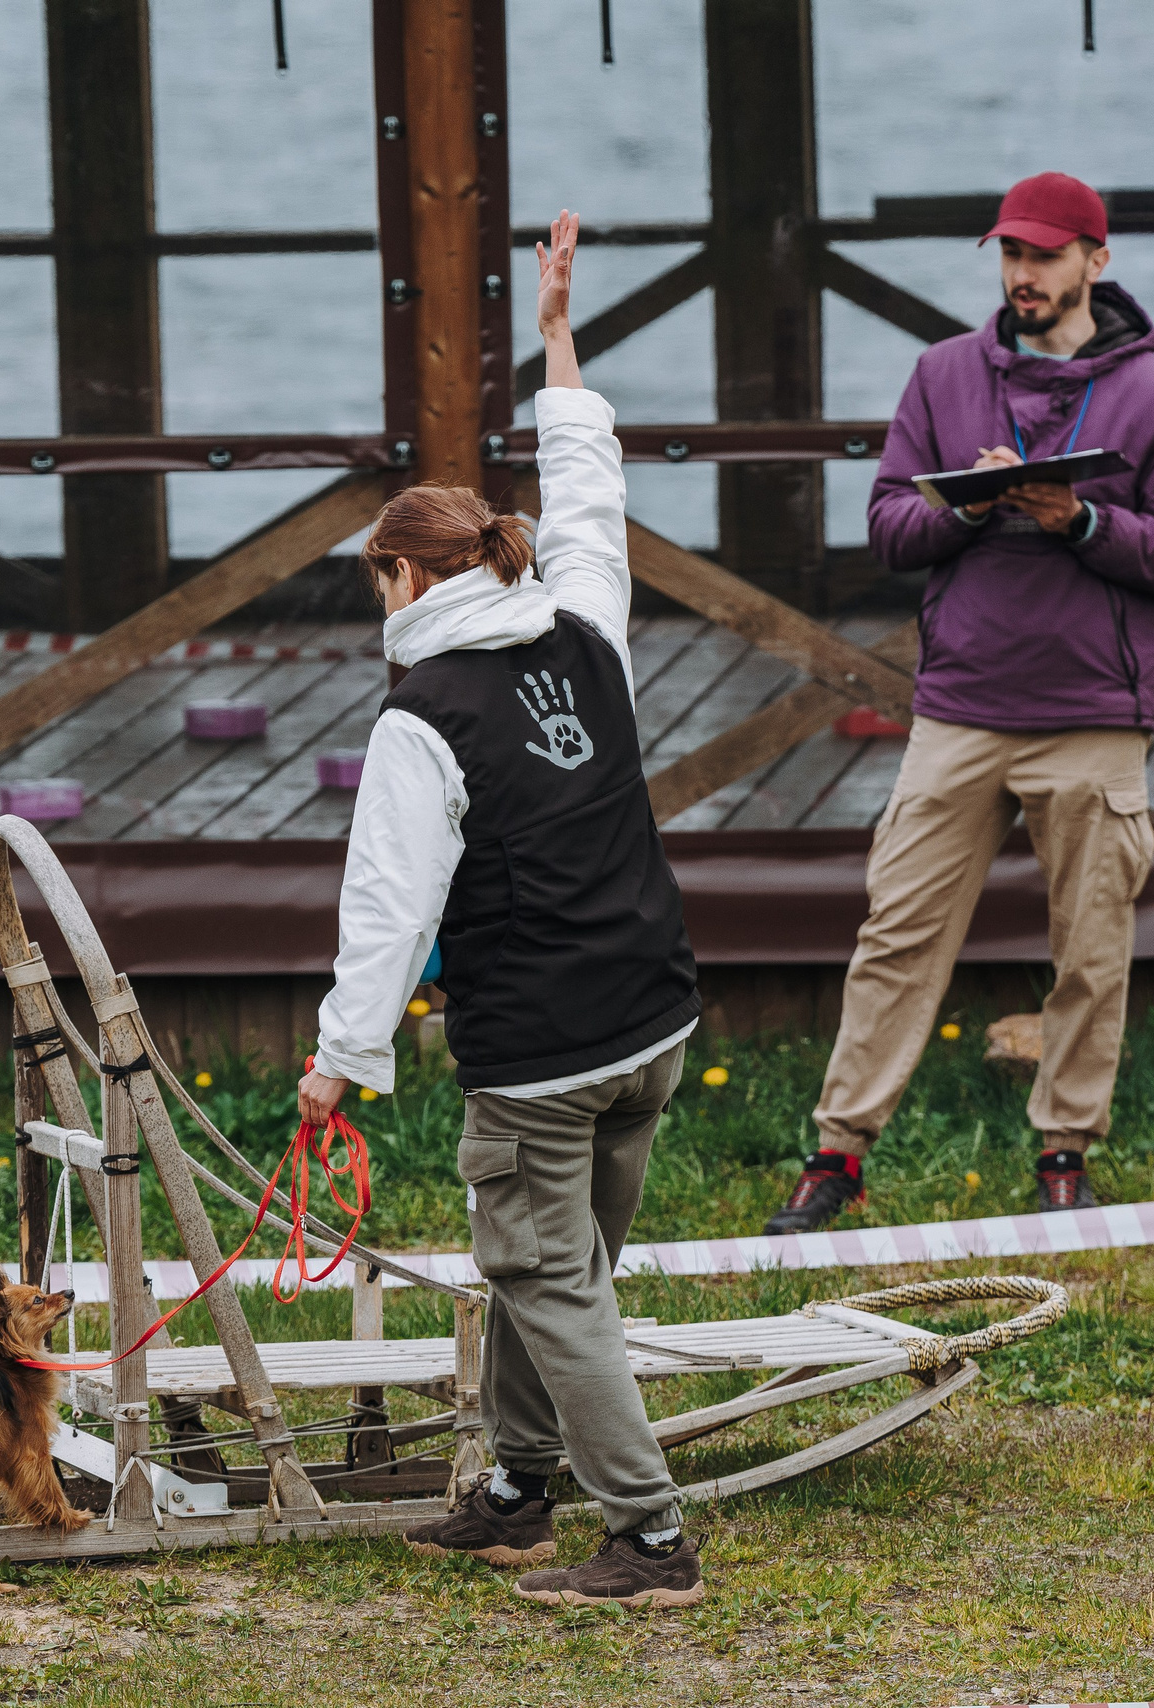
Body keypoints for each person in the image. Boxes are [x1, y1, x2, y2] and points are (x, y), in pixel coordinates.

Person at [295, 211, 708, 1610]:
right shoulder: (583, 624)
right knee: (559, 1269)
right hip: (654, 1020)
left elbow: (390, 908)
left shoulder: (425, 716)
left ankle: (647, 1538)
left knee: (550, 1278)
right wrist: (555, 345)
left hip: (540, 1051)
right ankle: (523, 1494)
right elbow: (589, 496)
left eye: (379, 586)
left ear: (409, 579)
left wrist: (341, 1063)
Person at [763, 171, 1154, 1233]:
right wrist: (970, 507)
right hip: (960, 706)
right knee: (895, 935)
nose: (1023, 274)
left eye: (1045, 256)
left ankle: (1064, 1148)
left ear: (1094, 264)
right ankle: (837, 1153)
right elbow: (886, 528)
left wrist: (1079, 520)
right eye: (1011, 254)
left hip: (1093, 717)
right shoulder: (941, 376)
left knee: (1091, 947)